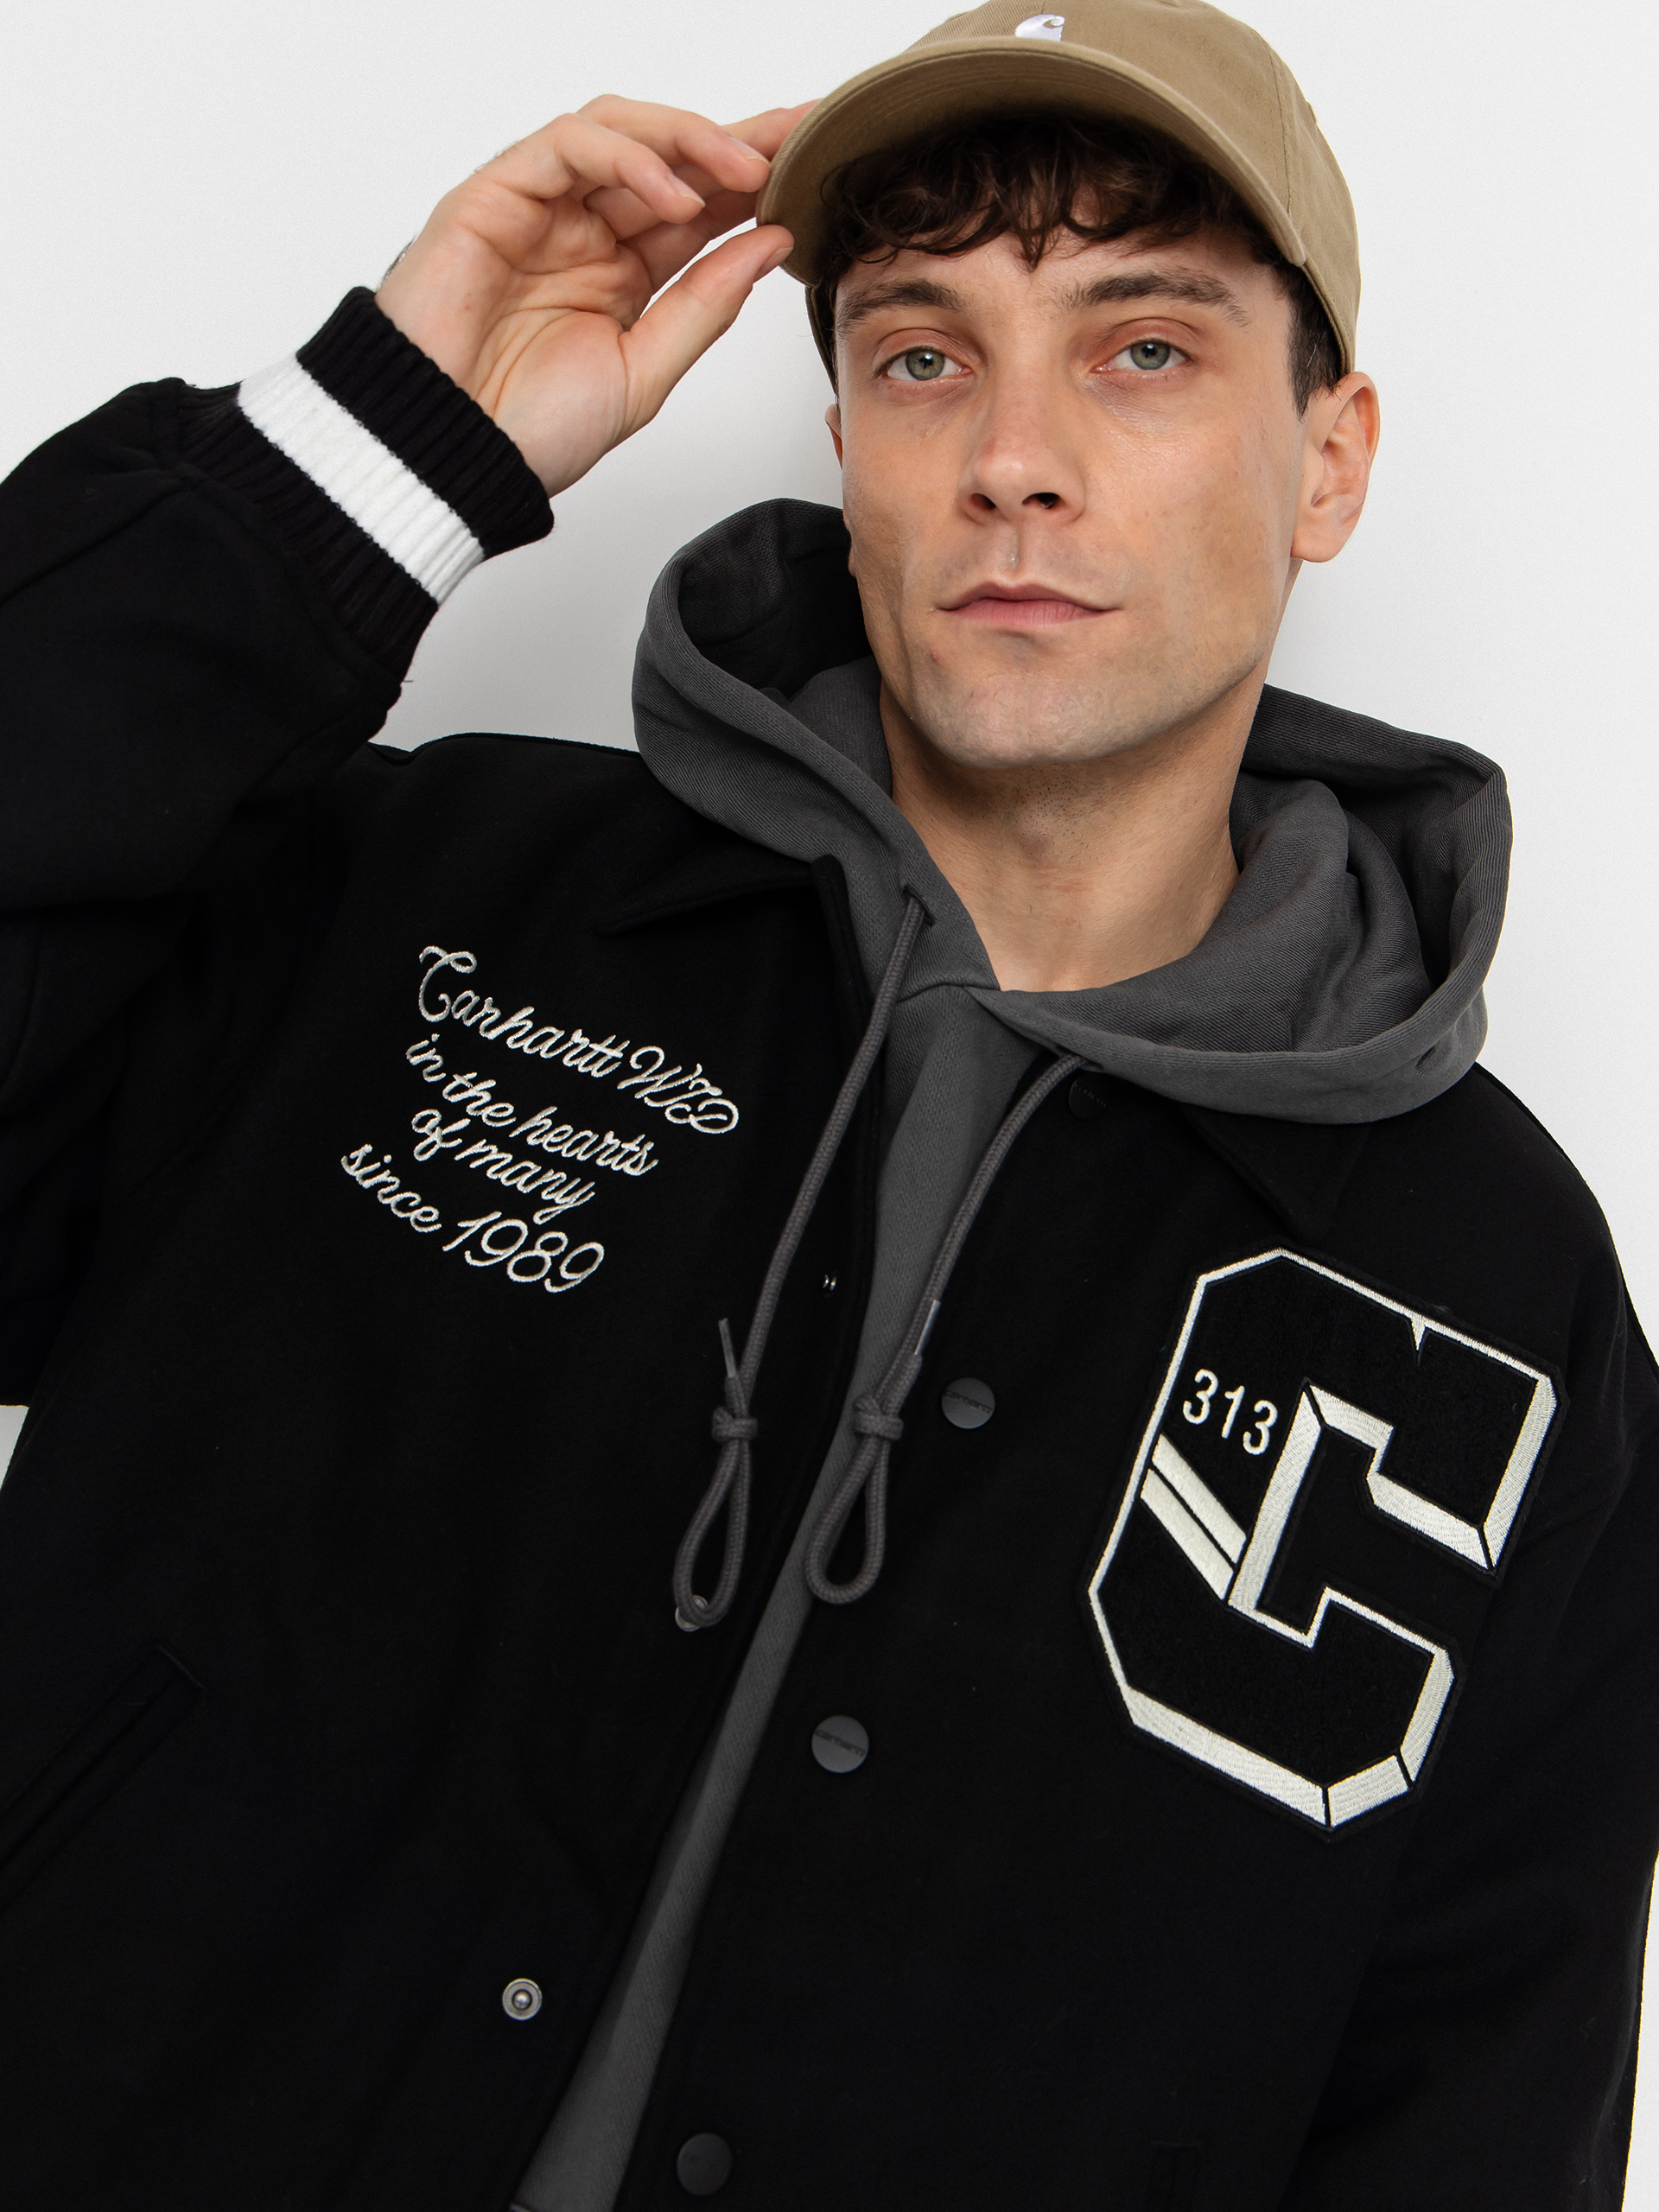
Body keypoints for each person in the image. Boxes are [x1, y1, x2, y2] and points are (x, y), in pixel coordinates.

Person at [1, 0, 1655, 2204]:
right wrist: (364, 456)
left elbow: (1480, 2097)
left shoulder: (1501, 1292)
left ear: (1330, 458)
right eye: (923, 353)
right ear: (848, 439)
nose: (1014, 456)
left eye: (1144, 347)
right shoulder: (418, 906)